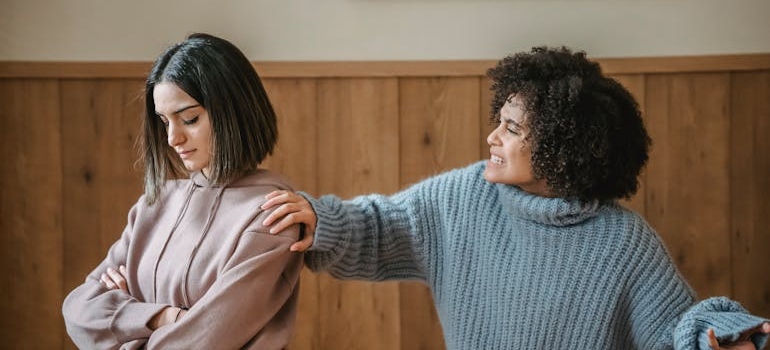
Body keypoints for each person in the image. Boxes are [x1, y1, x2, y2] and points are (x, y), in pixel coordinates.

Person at [261, 46, 770, 349]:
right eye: (498, 122)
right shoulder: (463, 196)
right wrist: (318, 220)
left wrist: (722, 333)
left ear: (561, 146)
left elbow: (677, 330)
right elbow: (379, 227)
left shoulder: (624, 243)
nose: (492, 138)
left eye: (510, 128)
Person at [62, 33, 303, 349]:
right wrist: (164, 317)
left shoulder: (272, 213)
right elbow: (78, 309)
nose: (172, 138)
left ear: (234, 111)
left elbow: (203, 340)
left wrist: (124, 319)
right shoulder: (155, 204)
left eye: (189, 119)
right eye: (164, 122)